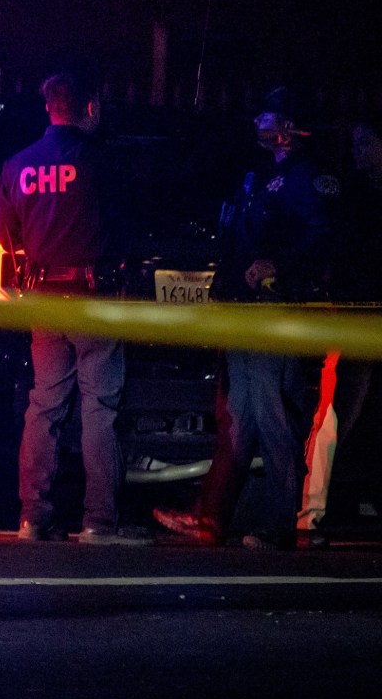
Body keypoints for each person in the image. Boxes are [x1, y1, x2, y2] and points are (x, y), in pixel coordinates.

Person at [157, 89, 337, 549]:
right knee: (240, 417)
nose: (257, 121)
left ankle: (280, 524)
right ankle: (212, 517)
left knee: (274, 416)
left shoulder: (307, 176)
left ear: (290, 127)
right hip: (241, 307)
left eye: (268, 115)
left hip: (272, 309)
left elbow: (322, 236)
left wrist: (280, 265)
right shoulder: (258, 174)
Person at [0, 73, 144, 543]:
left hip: (44, 299)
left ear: (49, 108)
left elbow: (7, 236)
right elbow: (126, 227)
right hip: (93, 297)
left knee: (44, 404)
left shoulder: (18, 165)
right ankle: (100, 521)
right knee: (99, 406)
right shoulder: (101, 161)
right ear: (91, 107)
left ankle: (33, 517)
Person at [298, 119, 382, 546]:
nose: (357, 150)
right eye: (354, 143)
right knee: (340, 411)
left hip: (364, 314)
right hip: (357, 316)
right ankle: (319, 510)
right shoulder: (354, 196)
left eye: (366, 142)